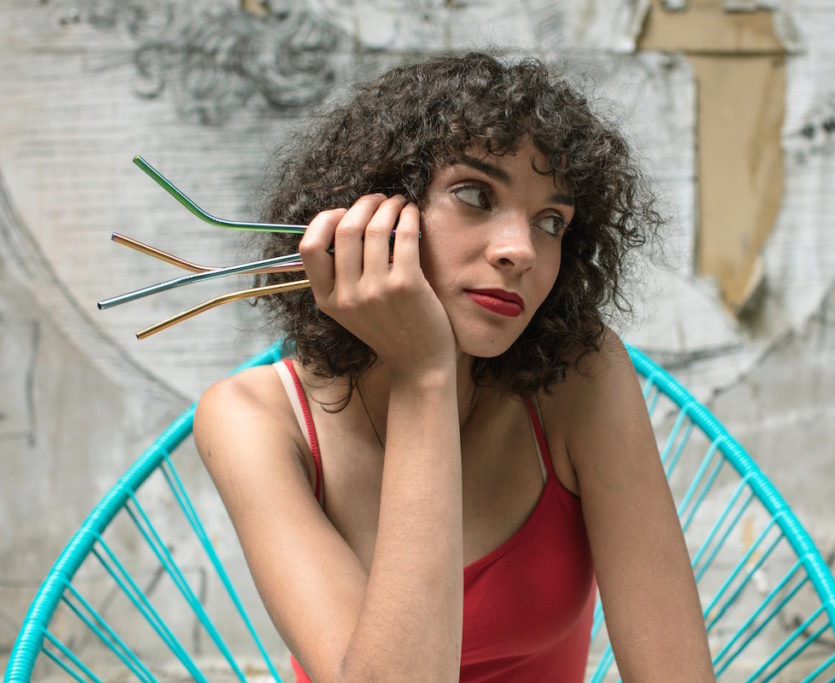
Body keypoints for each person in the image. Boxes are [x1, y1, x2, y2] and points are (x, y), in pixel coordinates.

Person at [194, 52, 714, 682]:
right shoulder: (252, 419)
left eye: (552, 221)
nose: (520, 250)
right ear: (371, 212)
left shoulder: (581, 378)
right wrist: (426, 376)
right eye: (475, 194)